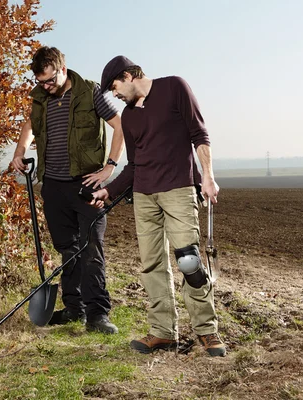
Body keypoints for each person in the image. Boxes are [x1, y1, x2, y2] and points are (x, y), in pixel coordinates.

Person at [88, 56, 226, 356]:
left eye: (114, 87)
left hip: (178, 189)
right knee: (152, 265)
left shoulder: (174, 87)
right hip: (144, 197)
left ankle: (207, 331)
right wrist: (108, 192)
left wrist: (208, 177)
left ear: (128, 75)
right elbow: (134, 165)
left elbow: (199, 135)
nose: (115, 95)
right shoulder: (128, 116)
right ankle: (163, 332)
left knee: (189, 262)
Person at [10, 47, 124, 334]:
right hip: (53, 186)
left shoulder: (89, 92)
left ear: (62, 69)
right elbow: (29, 125)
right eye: (40, 82)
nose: (45, 87)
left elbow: (119, 125)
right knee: (68, 250)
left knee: (91, 248)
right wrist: (19, 151)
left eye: (49, 80)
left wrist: (110, 166)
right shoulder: (40, 97)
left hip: (86, 184)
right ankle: (75, 309)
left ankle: (97, 314)